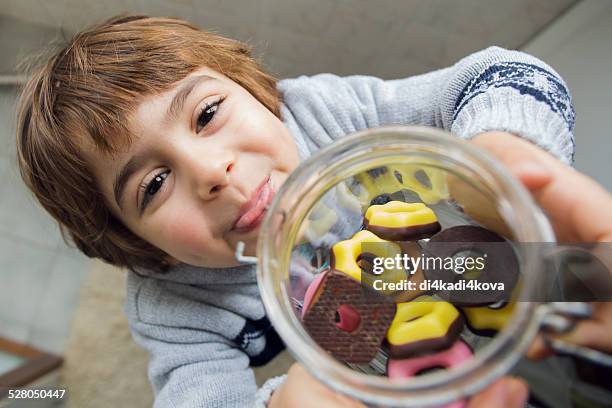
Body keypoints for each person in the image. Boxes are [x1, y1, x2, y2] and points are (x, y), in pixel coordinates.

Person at [15, 14, 584, 407]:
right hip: (369, 363)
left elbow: (497, 74)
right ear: (138, 246)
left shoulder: (325, 113)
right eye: (155, 183)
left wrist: (502, 153)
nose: (213, 172)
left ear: (260, 92)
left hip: (460, 265)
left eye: (208, 114)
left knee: (589, 284)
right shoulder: (172, 308)